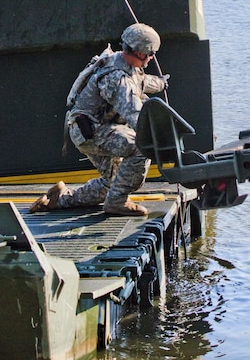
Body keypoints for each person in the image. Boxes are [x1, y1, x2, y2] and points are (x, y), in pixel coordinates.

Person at [29, 23, 169, 217]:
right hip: (91, 131)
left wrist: (161, 83)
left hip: (92, 128)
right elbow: (135, 114)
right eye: (150, 53)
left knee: (114, 182)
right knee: (141, 146)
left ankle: (58, 199)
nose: (152, 58)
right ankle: (117, 203)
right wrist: (158, 138)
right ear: (139, 52)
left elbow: (141, 81)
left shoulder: (121, 63)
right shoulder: (116, 79)